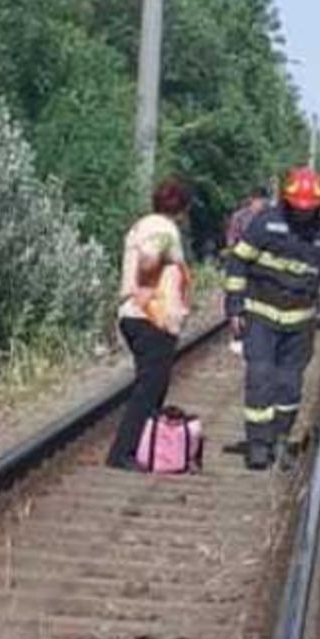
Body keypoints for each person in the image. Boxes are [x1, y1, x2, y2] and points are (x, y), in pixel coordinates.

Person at [224, 165, 320, 471]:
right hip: (261, 317)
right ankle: (258, 443)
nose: (303, 214)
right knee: (260, 378)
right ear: (286, 199)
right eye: (297, 207)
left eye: (309, 209)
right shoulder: (265, 224)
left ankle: (280, 436)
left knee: (290, 385)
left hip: (300, 323)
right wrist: (235, 306)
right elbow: (238, 261)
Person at [107, 180, 193, 470]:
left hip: (136, 314)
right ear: (181, 209)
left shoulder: (141, 225)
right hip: (150, 317)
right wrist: (148, 278)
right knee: (150, 386)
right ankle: (122, 453)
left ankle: (144, 448)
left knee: (153, 384)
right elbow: (149, 259)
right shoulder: (163, 230)